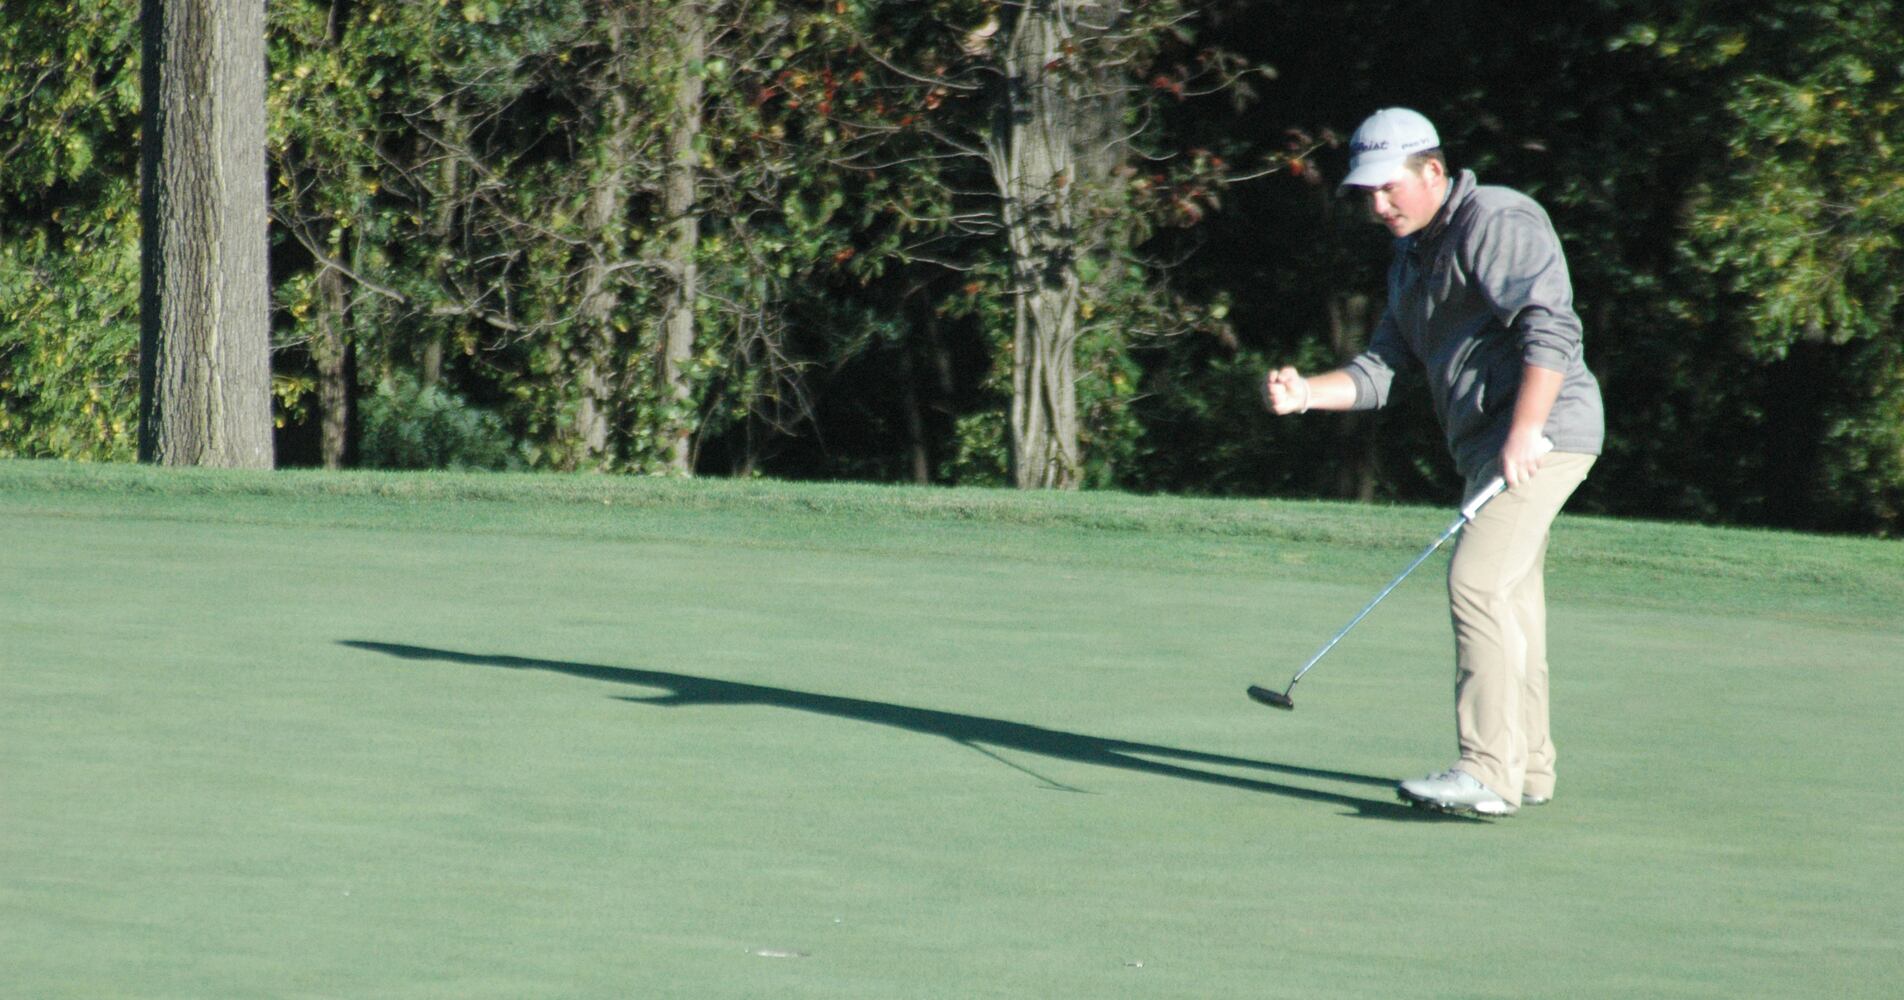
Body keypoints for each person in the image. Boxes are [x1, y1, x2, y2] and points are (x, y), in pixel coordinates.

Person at [1263, 107, 1604, 816]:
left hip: (1546, 434)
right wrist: (1304, 397)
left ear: (1434, 173)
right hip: (1495, 446)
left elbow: (1552, 326)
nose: (1379, 205)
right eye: (1368, 193)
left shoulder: (1497, 221)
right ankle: (1529, 767)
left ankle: (1485, 770)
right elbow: (1380, 370)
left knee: (1476, 583)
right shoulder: (1410, 261)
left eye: (1390, 188)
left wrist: (1524, 430)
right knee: (1511, 601)